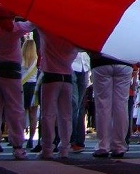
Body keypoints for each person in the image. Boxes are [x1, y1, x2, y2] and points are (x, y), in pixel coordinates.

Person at [0, 0, 35, 160]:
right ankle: (18, 146)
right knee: (15, 110)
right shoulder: (17, 29)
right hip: (11, 74)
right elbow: (33, 23)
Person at [37, 28, 78, 159]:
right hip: (67, 77)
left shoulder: (47, 31)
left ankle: (47, 148)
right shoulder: (72, 36)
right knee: (66, 115)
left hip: (50, 76)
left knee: (48, 114)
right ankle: (64, 148)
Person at [90, 53, 133, 158]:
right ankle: (119, 146)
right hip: (124, 61)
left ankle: (103, 146)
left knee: (103, 106)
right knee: (121, 105)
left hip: (101, 61)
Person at [69, 50, 91, 152]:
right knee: (74, 104)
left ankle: (79, 141)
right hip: (72, 64)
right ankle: (72, 140)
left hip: (84, 66)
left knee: (79, 105)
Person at [20, 37, 38, 149]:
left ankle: (19, 137)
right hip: (33, 87)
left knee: (21, 113)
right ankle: (31, 139)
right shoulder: (36, 60)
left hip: (22, 86)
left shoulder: (21, 59)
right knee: (33, 115)